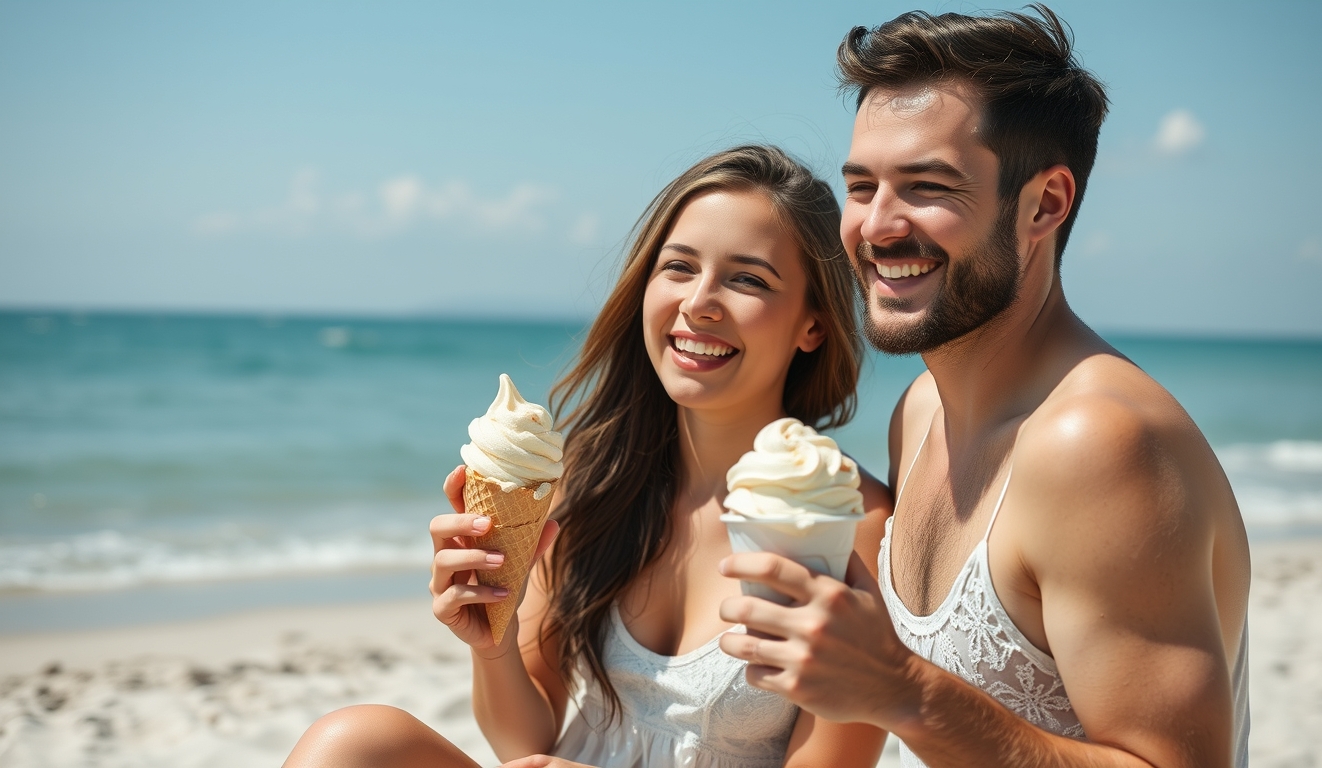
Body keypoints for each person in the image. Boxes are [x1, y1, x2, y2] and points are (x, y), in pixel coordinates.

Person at [716, 7, 1252, 768]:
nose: (877, 226)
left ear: (1045, 204)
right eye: (863, 186)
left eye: (928, 186)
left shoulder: (1098, 444)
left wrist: (903, 689)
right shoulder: (921, 411)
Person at [283, 145, 892, 768]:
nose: (699, 302)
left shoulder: (851, 527)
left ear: (813, 325)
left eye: (747, 279)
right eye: (678, 267)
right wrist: (491, 633)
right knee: (352, 741)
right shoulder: (596, 479)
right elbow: (525, 744)